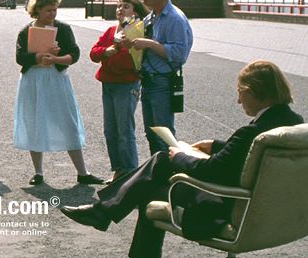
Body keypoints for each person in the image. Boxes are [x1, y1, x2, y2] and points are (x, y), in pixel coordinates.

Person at [60, 60, 304, 257]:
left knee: (161, 167)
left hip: (228, 206)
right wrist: (217, 145)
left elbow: (212, 171)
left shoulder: (250, 132)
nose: (239, 101)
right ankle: (104, 213)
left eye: (241, 94)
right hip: (274, 212)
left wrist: (179, 156)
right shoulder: (294, 123)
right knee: (153, 177)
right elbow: (248, 152)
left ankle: (103, 212)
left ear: (254, 92)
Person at [14, 0, 104, 186]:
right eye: (48, 11)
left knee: (68, 121)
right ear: (37, 10)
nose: (52, 14)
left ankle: (82, 172)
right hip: (34, 79)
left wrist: (56, 58)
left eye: (54, 10)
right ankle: (38, 172)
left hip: (56, 78)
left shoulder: (62, 29)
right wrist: (37, 57)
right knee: (34, 122)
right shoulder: (25, 31)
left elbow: (75, 53)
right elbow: (20, 57)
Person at [128, 0, 193, 155]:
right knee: (151, 133)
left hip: (162, 82)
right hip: (149, 81)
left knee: (164, 136)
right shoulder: (152, 17)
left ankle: (169, 177)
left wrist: (148, 43)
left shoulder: (174, 18)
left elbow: (180, 53)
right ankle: (157, 174)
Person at [90, 0, 149, 183]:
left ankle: (130, 172)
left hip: (126, 85)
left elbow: (130, 63)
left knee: (125, 131)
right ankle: (118, 169)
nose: (120, 9)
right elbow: (93, 53)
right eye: (118, 6)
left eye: (126, 6)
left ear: (136, 12)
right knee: (110, 130)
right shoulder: (110, 31)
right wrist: (110, 48)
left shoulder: (137, 33)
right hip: (108, 84)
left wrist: (112, 50)